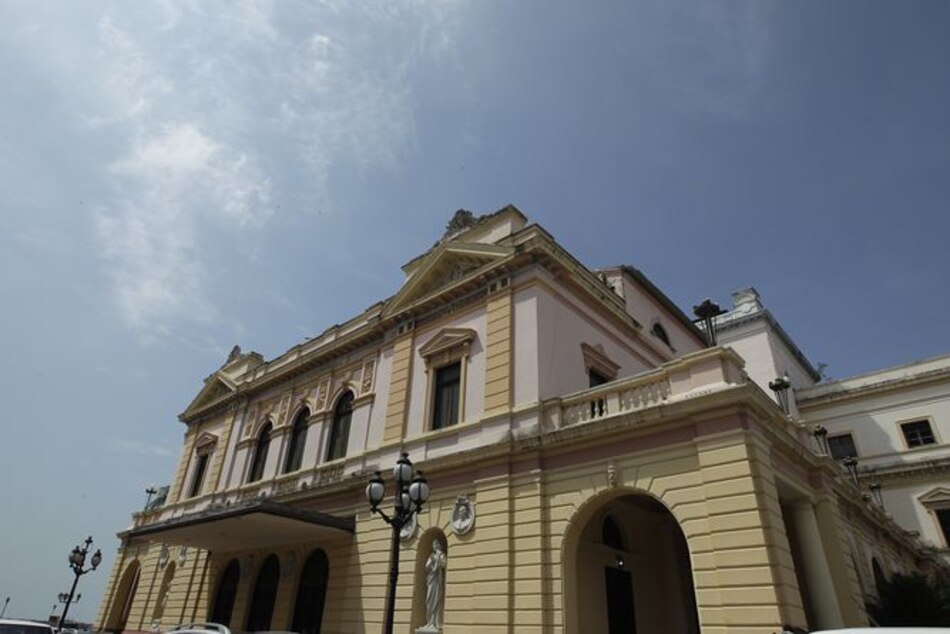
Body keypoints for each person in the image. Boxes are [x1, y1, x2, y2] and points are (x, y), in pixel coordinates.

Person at [424, 541, 447, 629]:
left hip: (438, 579)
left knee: (437, 599)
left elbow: (444, 563)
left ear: (439, 545)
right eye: (434, 545)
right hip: (431, 578)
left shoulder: (442, 555)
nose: (435, 546)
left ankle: (435, 622)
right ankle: (429, 621)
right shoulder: (432, 555)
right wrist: (431, 562)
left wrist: (438, 560)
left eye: (437, 544)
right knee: (429, 599)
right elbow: (427, 566)